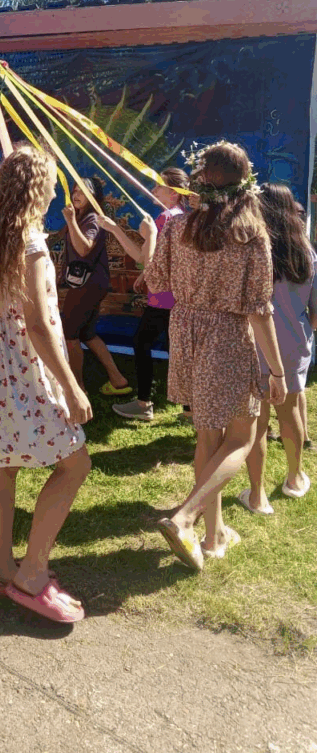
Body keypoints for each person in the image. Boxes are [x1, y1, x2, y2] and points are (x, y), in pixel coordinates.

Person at [145, 142, 286, 568]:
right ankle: (186, 517)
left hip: (186, 331)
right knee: (241, 437)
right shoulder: (250, 235)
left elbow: (154, 280)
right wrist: (277, 371)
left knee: (208, 438)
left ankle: (214, 535)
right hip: (226, 336)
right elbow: (259, 310)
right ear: (245, 182)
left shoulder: (177, 227)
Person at [0, 146, 92, 623]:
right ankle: (32, 573)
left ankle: (1, 568)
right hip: (24, 361)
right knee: (75, 462)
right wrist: (72, 386)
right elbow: (37, 325)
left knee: (2, 464)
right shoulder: (31, 243)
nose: (56, 193)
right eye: (52, 185)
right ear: (37, 189)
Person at [239, 183, 315, 513]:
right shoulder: (307, 252)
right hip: (294, 343)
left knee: (256, 421)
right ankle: (295, 477)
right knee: (291, 411)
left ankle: (257, 495)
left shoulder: (251, 251)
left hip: (254, 343)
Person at [99, 168, 190, 421]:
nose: (153, 190)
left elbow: (147, 262)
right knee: (174, 349)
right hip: (174, 298)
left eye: (159, 186)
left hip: (163, 298)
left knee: (143, 343)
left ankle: (144, 403)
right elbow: (147, 258)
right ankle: (189, 408)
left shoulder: (166, 218)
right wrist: (115, 229)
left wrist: (148, 235)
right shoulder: (180, 217)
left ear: (173, 193)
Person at [61, 177, 131, 396]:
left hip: (87, 285)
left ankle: (78, 390)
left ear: (93, 196)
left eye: (82, 192)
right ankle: (118, 379)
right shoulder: (83, 217)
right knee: (87, 334)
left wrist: (70, 221)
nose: (76, 195)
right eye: (74, 191)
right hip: (92, 284)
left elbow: (84, 249)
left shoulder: (91, 218)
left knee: (69, 334)